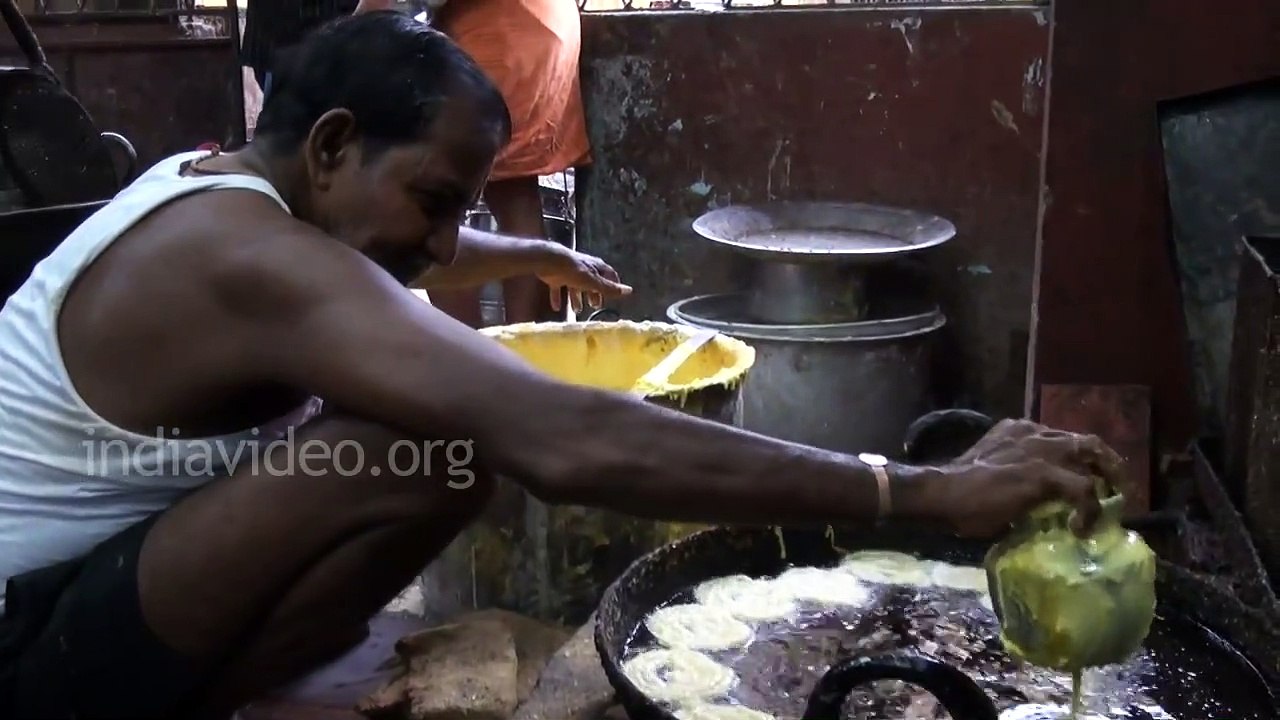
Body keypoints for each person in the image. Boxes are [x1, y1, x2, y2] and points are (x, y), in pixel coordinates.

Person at [0, 13, 1124, 720]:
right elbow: (561, 434)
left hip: (83, 587)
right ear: (335, 143)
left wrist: (523, 246)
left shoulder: (216, 180)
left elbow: (392, 244)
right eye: (437, 203)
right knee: (415, 448)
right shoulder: (247, 259)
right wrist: (916, 490)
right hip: (25, 643)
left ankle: (213, 687)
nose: (445, 247)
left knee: (430, 444)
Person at [365, 0, 591, 326]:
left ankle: (466, 341)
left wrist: (347, 37)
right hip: (545, 26)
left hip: (499, 37)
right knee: (515, 190)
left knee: (441, 201)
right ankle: (524, 343)